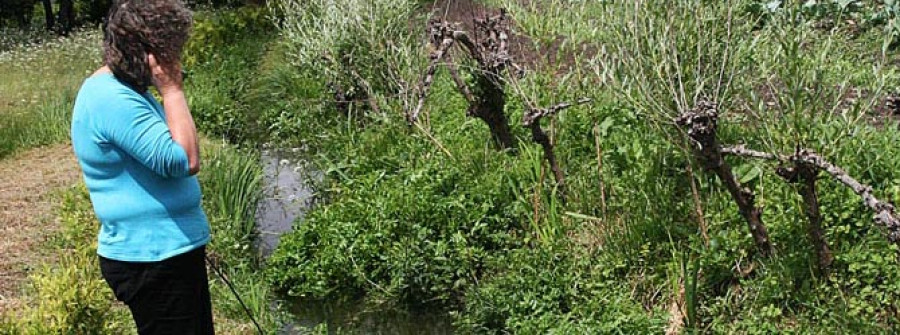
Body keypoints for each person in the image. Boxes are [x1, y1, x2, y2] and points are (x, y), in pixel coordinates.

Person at [70, 0, 214, 333]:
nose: (176, 61)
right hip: (152, 260)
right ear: (146, 50)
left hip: (166, 254)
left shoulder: (126, 90)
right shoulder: (111, 97)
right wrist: (173, 89)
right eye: (170, 52)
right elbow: (183, 159)